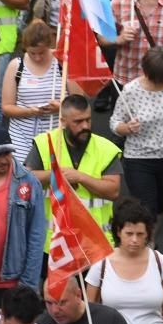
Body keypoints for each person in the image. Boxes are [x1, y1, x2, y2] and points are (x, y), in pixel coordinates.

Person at [25, 95, 124, 244]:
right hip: (55, 244)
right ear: (63, 121)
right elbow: (27, 180)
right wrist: (56, 175)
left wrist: (81, 177)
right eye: (78, 121)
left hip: (95, 243)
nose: (85, 126)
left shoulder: (106, 149)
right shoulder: (45, 143)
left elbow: (113, 191)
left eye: (88, 120)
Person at [0, 127, 46, 313]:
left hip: (14, 282)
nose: (4, 159)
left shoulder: (29, 182)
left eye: (8, 153)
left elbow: (36, 236)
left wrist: (27, 285)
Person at [110, 46, 163, 217]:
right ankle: (148, 242)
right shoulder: (131, 91)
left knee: (161, 205)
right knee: (147, 209)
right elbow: (114, 122)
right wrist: (126, 128)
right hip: (139, 158)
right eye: (156, 78)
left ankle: (151, 236)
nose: (161, 83)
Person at [1, 21, 62, 163]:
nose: (38, 57)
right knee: (23, 180)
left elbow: (79, 102)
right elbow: (6, 107)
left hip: (56, 137)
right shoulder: (17, 66)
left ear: (49, 45)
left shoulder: (62, 63)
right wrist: (30, 112)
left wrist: (60, 108)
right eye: (32, 53)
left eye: (42, 52)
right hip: (22, 139)